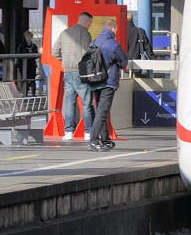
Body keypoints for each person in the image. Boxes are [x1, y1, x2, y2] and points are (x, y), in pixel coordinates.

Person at [51, 11, 95, 141]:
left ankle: (68, 132)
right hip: (80, 72)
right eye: (90, 23)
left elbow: (54, 51)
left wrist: (63, 60)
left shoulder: (65, 33)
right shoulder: (85, 33)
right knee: (86, 103)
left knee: (69, 103)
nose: (90, 26)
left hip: (68, 71)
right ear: (86, 21)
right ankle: (88, 132)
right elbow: (87, 53)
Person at [88, 17, 128, 152]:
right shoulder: (113, 44)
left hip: (95, 81)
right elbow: (123, 62)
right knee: (102, 112)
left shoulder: (94, 42)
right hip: (108, 82)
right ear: (113, 28)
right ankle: (93, 140)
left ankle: (105, 140)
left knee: (101, 110)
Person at [126, 12, 153, 76]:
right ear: (132, 19)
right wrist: (153, 60)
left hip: (124, 67)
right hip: (138, 66)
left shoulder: (120, 32)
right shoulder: (140, 31)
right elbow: (148, 48)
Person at [15, 30, 39, 96]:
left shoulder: (34, 46)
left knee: (32, 79)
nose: (28, 37)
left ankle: (33, 94)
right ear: (25, 37)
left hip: (32, 65)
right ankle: (25, 93)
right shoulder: (21, 45)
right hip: (23, 65)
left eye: (30, 36)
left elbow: (36, 54)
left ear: (31, 37)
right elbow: (19, 54)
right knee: (25, 79)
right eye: (27, 36)